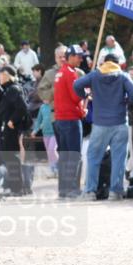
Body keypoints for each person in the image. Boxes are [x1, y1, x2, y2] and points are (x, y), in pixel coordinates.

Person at [74, 53, 133, 200]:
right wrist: (127, 102)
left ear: (104, 62)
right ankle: (115, 192)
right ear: (117, 63)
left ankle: (90, 191)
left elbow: (76, 85)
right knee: (119, 159)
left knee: (93, 157)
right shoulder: (122, 76)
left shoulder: (95, 75)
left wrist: (85, 96)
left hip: (100, 123)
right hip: (120, 121)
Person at [53, 45, 86, 198]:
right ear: (71, 56)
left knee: (64, 156)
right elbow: (75, 97)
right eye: (78, 56)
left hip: (60, 119)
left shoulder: (60, 72)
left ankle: (63, 189)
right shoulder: (71, 73)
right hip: (71, 119)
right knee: (74, 156)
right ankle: (73, 188)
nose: (81, 59)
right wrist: (85, 93)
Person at [0, 65, 30, 196]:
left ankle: (18, 188)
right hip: (7, 127)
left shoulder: (14, 89)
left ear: (7, 75)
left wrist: (12, 120)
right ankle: (14, 186)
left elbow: (22, 107)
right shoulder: (8, 89)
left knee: (11, 157)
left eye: (1, 74)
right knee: (8, 157)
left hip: (12, 128)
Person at [32, 96, 57, 175]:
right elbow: (39, 121)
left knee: (52, 149)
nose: (44, 98)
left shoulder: (55, 105)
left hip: (54, 133)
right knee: (49, 152)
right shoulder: (42, 107)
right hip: (45, 133)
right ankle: (52, 169)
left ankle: (58, 167)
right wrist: (35, 131)